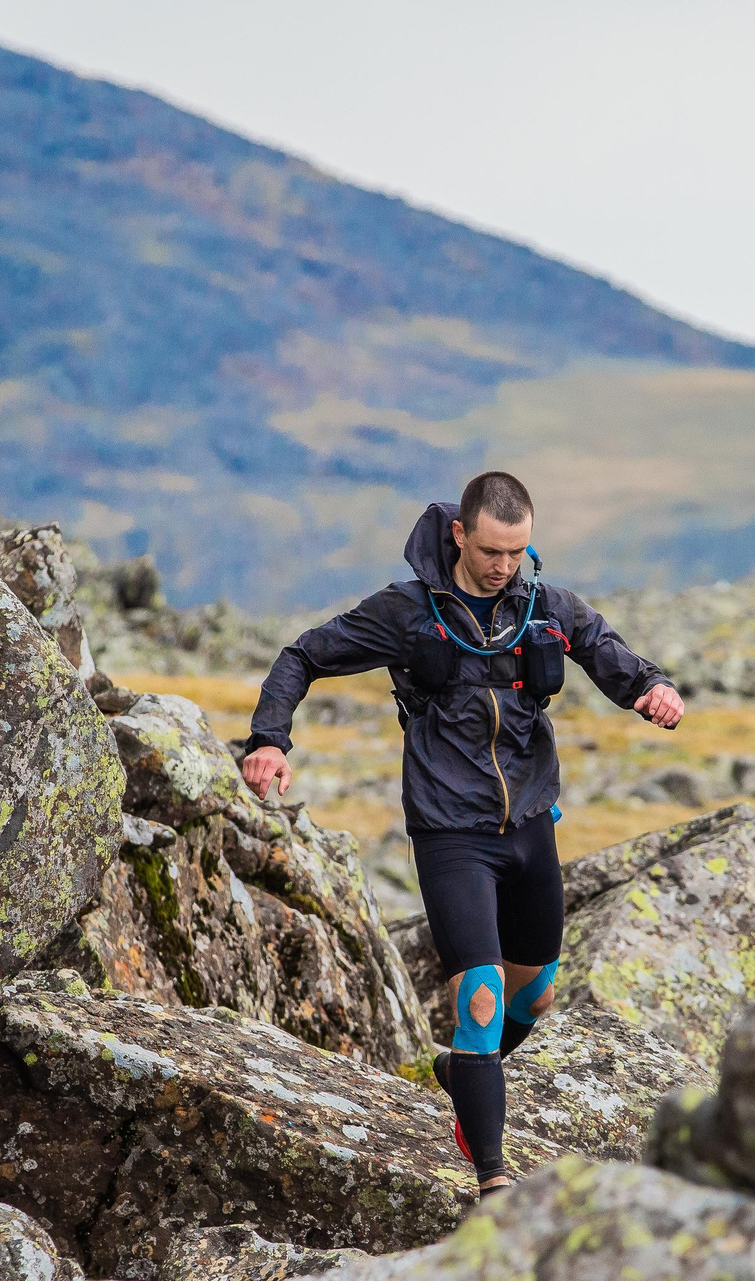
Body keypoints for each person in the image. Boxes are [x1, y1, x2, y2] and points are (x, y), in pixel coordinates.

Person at [241, 471, 685, 1202]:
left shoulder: (543, 608)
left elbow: (609, 654)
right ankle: (492, 1177)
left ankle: (464, 1072)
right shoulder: (408, 612)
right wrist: (269, 738)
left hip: (530, 824)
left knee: (534, 996)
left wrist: (650, 690)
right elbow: (303, 656)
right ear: (458, 534)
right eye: (489, 550)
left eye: (516, 551)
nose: (502, 565)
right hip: (451, 830)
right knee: (479, 999)